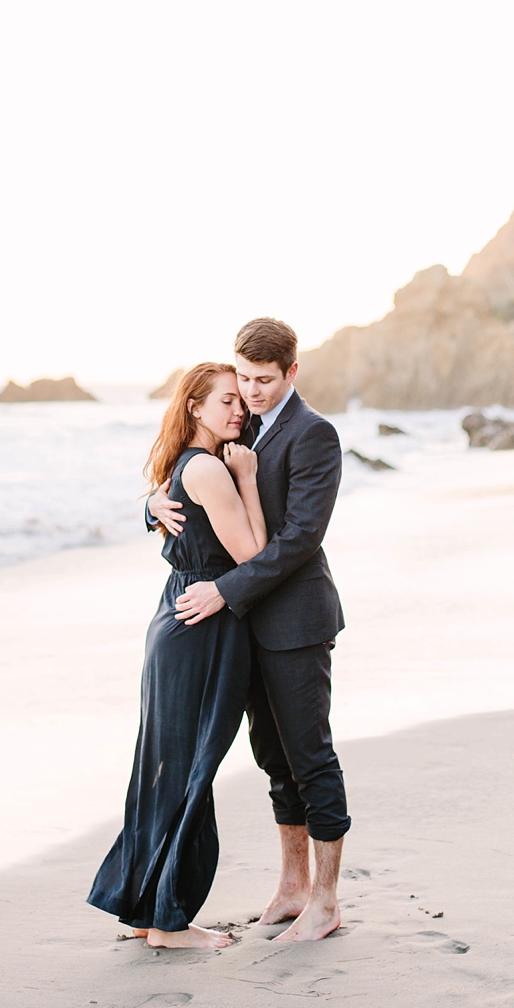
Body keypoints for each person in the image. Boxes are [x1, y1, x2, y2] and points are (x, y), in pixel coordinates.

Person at [148, 317, 350, 942]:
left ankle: (326, 899)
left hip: (294, 622)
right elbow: (188, 473)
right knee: (272, 762)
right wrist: (150, 502)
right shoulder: (240, 423)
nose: (252, 393)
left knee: (309, 756)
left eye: (265, 380)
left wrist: (225, 589)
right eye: (244, 380)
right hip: (243, 629)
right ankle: (290, 887)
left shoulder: (315, 435)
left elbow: (298, 540)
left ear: (292, 371)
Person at [87, 362, 268, 949]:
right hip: (203, 626)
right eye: (226, 401)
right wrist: (247, 479)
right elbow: (255, 555)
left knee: (165, 767)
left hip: (177, 618)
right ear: (194, 406)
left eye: (242, 402)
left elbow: (162, 510)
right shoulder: (212, 469)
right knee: (189, 768)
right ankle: (168, 922)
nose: (239, 411)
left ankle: (144, 909)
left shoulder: (179, 465)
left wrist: (150, 508)